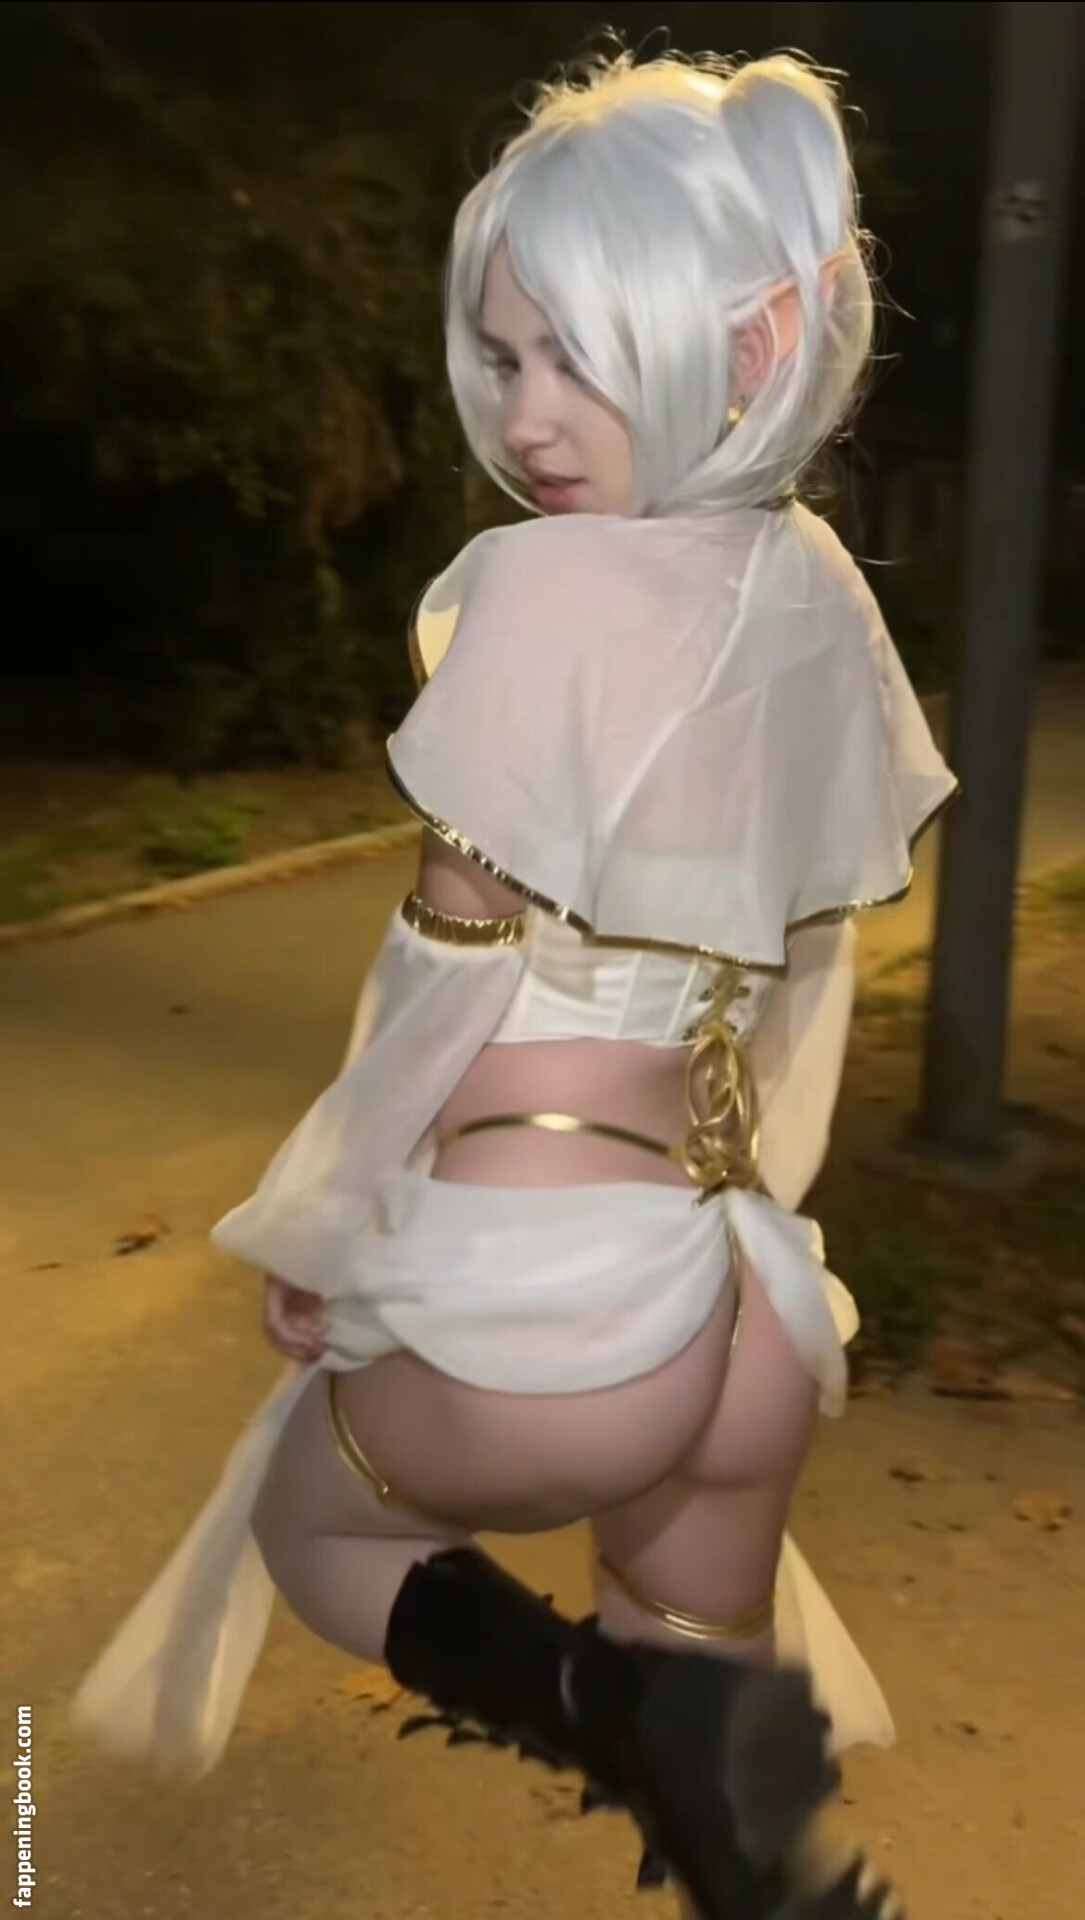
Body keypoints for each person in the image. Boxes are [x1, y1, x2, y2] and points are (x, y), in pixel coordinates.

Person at [73, 50, 956, 1920]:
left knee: (310, 1527)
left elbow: (443, 967)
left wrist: (333, 1230)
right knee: (733, 1823)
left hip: (541, 1288)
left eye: (577, 358)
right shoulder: (817, 593)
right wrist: (752, 1216)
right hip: (744, 1301)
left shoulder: (547, 589)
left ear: (742, 346)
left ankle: (600, 1711)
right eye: (505, 358)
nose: (530, 416)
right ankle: (702, 1784)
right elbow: (807, 972)